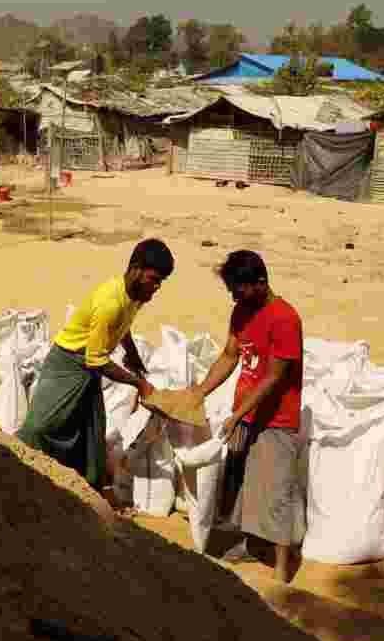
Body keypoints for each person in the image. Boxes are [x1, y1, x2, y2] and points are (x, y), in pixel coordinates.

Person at [17, 239, 174, 490]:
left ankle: (78, 488)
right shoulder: (109, 302)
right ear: (135, 268)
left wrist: (132, 354)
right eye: (154, 279)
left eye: (160, 282)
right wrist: (138, 383)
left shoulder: (136, 296)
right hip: (67, 364)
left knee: (89, 434)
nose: (156, 287)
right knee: (40, 427)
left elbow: (124, 325)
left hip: (88, 369)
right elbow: (97, 359)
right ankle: (18, 467)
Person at [191, 250, 305, 583]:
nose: (234, 297)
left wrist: (239, 412)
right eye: (232, 291)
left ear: (261, 282)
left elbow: (275, 376)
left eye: (239, 290)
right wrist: (200, 392)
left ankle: (284, 568)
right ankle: (249, 545)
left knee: (275, 492)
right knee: (242, 486)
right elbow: (229, 356)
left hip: (275, 419)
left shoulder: (285, 318)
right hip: (246, 415)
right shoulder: (241, 312)